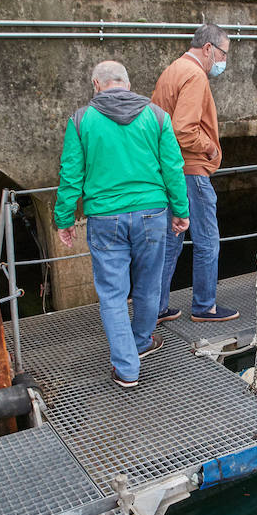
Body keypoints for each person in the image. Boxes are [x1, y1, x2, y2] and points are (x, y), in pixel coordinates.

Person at [54, 61, 190, 388]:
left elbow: (71, 175)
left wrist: (64, 219)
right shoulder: (157, 116)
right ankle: (142, 342)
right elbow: (173, 168)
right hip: (152, 213)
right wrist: (181, 210)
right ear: (127, 84)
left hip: (105, 217)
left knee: (113, 294)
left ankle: (127, 368)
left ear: (96, 86)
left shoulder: (81, 119)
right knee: (148, 283)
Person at [152, 23, 239, 323]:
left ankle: (158, 306)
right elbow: (183, 128)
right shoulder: (195, 75)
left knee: (171, 241)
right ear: (208, 48)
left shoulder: (171, 71)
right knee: (207, 240)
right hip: (192, 169)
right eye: (224, 53)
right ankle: (205, 306)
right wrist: (211, 149)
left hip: (170, 171)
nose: (223, 61)